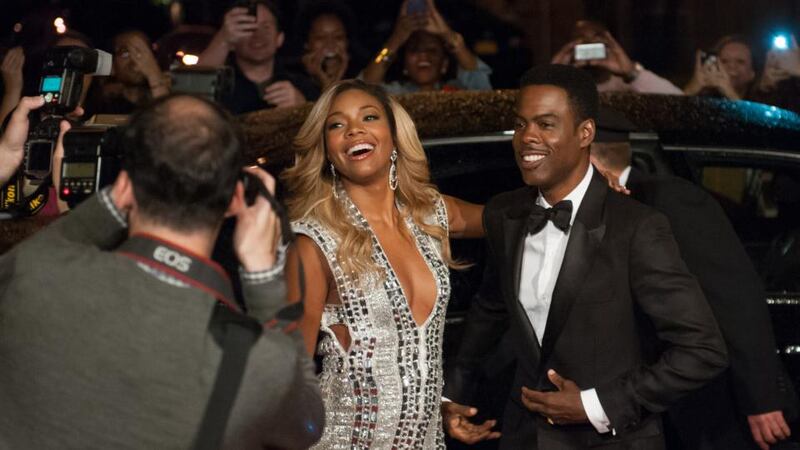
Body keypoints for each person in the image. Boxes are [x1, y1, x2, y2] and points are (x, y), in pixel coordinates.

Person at [0, 94, 324, 449]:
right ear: (235, 198)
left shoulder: (34, 272)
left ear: (125, 186)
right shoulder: (254, 359)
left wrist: (112, 199)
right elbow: (306, 425)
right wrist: (265, 276)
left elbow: (58, 240)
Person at [446, 64, 728, 449]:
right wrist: (455, 394)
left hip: (611, 440)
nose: (527, 137)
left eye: (546, 125)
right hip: (522, 437)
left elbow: (703, 350)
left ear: (585, 133)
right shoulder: (506, 214)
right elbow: (491, 309)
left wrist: (597, 405)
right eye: (521, 124)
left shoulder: (636, 227)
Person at [282, 79, 498, 448]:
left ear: (395, 136)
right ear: (327, 150)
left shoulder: (429, 214)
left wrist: (586, 182)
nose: (354, 130)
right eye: (336, 124)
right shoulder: (313, 242)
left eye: (369, 116)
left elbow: (513, 218)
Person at [590, 108, 796, 450]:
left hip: (718, 404)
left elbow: (735, 295)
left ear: (592, 155)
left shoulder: (670, 199)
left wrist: (761, 397)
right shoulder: (601, 205)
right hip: (653, 400)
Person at [198, 0, 317, 113]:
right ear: (233, 38)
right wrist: (222, 40)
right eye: (249, 28)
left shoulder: (303, 85)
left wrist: (302, 108)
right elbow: (193, 89)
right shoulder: (220, 87)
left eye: (266, 27)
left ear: (279, 38)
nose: (258, 35)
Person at [361, 0, 493, 94]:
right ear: (405, 65)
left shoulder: (458, 94)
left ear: (444, 64)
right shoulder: (394, 95)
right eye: (415, 49)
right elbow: (364, 86)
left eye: (432, 50)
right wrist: (395, 41)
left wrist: (447, 34)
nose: (423, 55)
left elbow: (481, 84)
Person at [551, 20, 683, 95]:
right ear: (569, 48)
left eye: (596, 39)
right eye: (581, 40)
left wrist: (632, 73)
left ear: (608, 45)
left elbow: (677, 101)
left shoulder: (625, 84)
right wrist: (553, 75)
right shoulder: (564, 89)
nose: (589, 43)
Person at [84, 30, 170, 115]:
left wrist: (154, 76)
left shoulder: (172, 93)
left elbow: (168, 120)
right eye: (125, 54)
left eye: (141, 53)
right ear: (112, 62)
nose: (135, 62)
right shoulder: (98, 102)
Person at [291, 0, 365, 93]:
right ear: (306, 43)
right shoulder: (294, 84)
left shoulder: (361, 79)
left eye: (338, 37)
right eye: (320, 38)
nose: (330, 44)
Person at [684, 35, 756, 100]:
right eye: (724, 61)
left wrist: (730, 93)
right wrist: (691, 90)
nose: (731, 66)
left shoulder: (762, 100)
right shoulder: (705, 99)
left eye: (740, 61)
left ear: (752, 73)